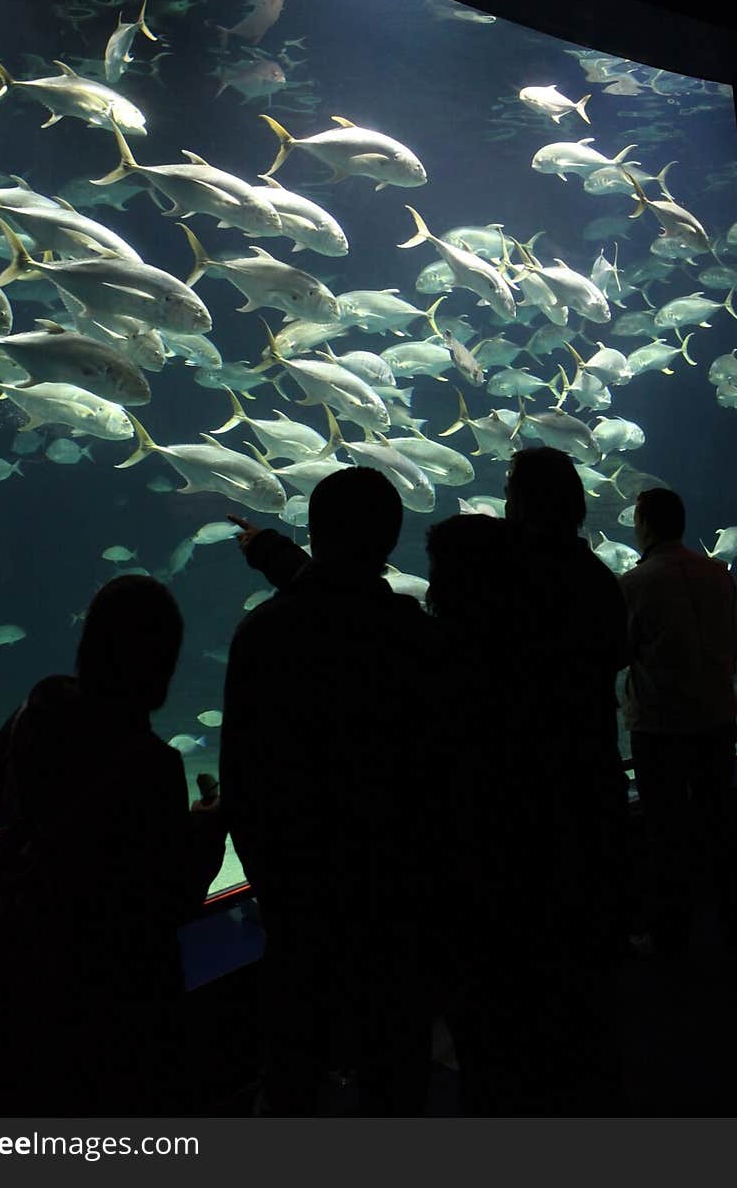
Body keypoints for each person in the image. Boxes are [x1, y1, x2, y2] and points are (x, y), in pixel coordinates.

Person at [0, 575, 225, 1113]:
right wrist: (207, 831)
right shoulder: (151, 764)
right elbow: (167, 899)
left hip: (22, 982)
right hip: (117, 996)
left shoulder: (24, 722)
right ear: (161, 666)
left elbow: (20, 830)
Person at [220, 467, 446, 1115]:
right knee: (397, 1068)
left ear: (312, 532)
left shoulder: (263, 634)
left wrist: (270, 880)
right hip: (399, 901)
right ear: (393, 540)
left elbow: (241, 777)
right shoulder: (418, 637)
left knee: (292, 1071)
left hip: (297, 901)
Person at [426, 452, 630, 1114]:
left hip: (506, 802)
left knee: (506, 965)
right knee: (577, 956)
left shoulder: (503, 576)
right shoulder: (598, 578)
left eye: (511, 491)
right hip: (586, 789)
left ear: (523, 503)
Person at [620, 487, 737, 956]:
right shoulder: (718, 575)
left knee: (664, 832)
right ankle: (733, 925)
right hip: (717, 718)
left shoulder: (636, 582)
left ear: (645, 524)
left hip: (660, 726)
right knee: (720, 822)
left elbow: (620, 650)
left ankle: (671, 935)